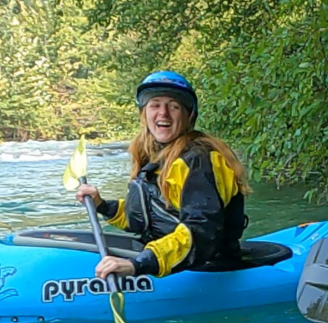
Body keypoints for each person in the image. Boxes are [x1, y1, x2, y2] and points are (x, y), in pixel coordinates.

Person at [75, 71, 250, 278]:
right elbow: (143, 219)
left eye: (174, 106)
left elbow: (201, 232)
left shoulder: (200, 159)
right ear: (144, 113)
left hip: (207, 266)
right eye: (155, 105)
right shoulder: (152, 155)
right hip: (166, 260)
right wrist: (101, 205)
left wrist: (138, 264)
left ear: (188, 116)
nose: (163, 113)